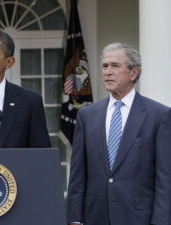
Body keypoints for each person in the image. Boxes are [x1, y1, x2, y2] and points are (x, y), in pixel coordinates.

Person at [66, 43, 171, 225]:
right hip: (95, 217)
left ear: (133, 73)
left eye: (115, 66)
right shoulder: (87, 115)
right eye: (105, 66)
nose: (107, 72)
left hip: (139, 218)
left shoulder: (159, 115)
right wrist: (75, 218)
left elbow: (165, 177)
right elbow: (78, 173)